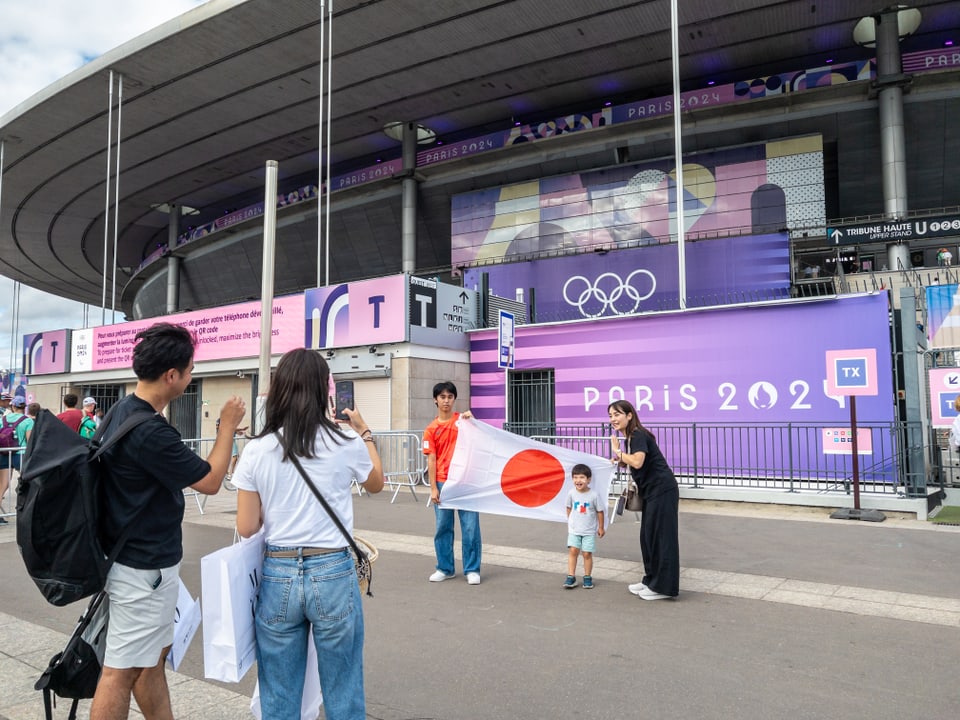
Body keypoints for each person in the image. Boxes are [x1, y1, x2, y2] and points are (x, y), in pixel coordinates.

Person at [90, 323, 246, 720]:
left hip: (135, 561)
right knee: (119, 672)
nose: (192, 376)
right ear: (171, 375)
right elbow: (211, 481)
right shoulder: (150, 432)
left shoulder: (121, 412)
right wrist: (226, 426)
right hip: (142, 570)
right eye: (191, 370)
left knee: (150, 660)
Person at [234, 348, 383, 720]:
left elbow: (247, 526)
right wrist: (364, 432)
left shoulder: (257, 449)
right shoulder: (344, 442)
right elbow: (377, 483)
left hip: (279, 572)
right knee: (343, 688)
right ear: (323, 390)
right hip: (332, 569)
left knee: (279, 694)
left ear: (279, 390)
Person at [608, 399, 679, 601]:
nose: (613, 419)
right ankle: (650, 580)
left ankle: (663, 588)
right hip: (651, 492)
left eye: (617, 414)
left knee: (661, 538)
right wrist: (620, 460)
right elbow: (637, 462)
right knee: (648, 537)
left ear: (629, 415)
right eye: (611, 415)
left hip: (662, 490)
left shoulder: (637, 434)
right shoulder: (631, 437)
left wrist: (618, 452)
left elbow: (638, 462)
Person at [424, 381, 481, 584]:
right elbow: (431, 458)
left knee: (470, 527)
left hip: (465, 482)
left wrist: (473, 421)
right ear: (435, 400)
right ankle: (445, 567)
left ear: (454, 399)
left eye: (450, 397)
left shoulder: (463, 421)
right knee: (442, 527)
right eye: (442, 397)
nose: (446, 400)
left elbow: (479, 439)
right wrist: (432, 488)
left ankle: (472, 569)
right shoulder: (431, 429)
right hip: (442, 483)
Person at [563, 463, 605, 589]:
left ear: (588, 480)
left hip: (589, 531)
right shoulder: (571, 493)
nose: (578, 480)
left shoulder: (594, 495)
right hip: (574, 529)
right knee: (573, 551)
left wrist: (601, 527)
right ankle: (571, 576)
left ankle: (587, 577)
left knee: (587, 553)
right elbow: (568, 508)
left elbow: (600, 511)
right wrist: (571, 521)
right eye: (575, 477)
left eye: (581, 477)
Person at [0, 397, 33, 525]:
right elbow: (29, 441)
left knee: (2, 486)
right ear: (24, 407)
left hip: (4, 453)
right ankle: (27, 512)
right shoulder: (28, 421)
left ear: (13, 406)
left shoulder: (3, 419)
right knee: (28, 482)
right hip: (20, 454)